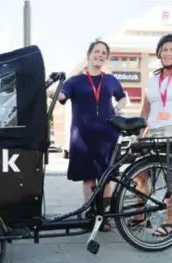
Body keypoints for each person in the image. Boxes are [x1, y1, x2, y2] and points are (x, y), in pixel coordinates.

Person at [47, 39, 128, 231]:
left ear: (106, 58)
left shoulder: (110, 80)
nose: (100, 55)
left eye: (103, 53)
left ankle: (104, 216)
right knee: (88, 177)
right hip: (83, 136)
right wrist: (49, 91)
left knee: (106, 177)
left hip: (107, 134)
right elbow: (62, 96)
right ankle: (92, 212)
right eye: (96, 51)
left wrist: (118, 107)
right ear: (88, 54)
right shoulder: (76, 81)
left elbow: (122, 97)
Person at [130, 33, 172, 236]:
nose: (168, 53)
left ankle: (169, 223)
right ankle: (140, 215)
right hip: (154, 132)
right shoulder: (152, 79)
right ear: (159, 52)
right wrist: (140, 133)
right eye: (165, 49)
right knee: (141, 174)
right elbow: (145, 109)